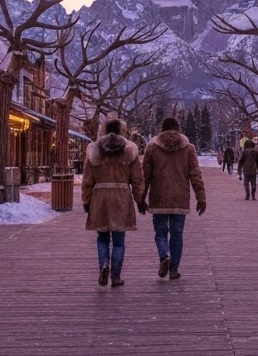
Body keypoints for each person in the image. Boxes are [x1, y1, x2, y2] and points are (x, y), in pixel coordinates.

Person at [82, 119, 146, 288]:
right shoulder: (130, 150)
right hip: (121, 197)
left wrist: (86, 199)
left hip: (100, 198)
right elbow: (137, 178)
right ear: (121, 130)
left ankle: (104, 264)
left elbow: (87, 179)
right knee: (119, 241)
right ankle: (116, 276)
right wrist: (139, 199)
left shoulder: (94, 150)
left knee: (102, 238)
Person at [143, 117, 206, 280]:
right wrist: (201, 197)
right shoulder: (188, 148)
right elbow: (195, 174)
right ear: (178, 130)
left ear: (162, 130)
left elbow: (145, 176)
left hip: (159, 197)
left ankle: (165, 256)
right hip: (180, 197)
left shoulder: (152, 147)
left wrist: (140, 198)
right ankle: (173, 270)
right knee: (177, 233)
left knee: (160, 231)